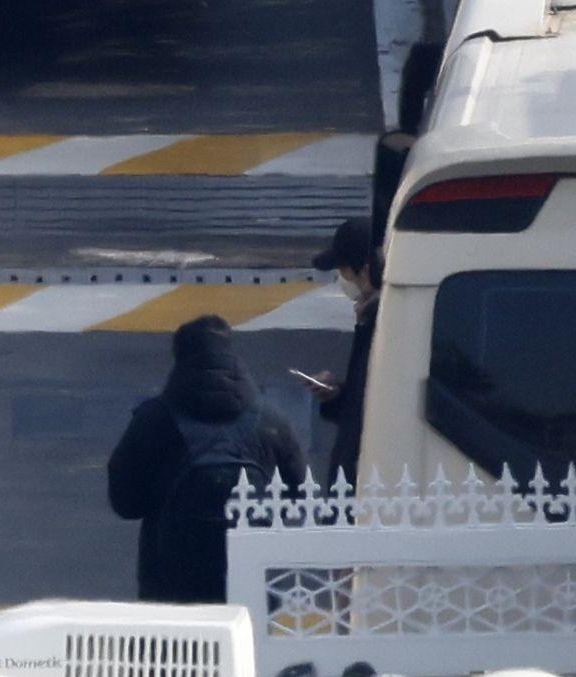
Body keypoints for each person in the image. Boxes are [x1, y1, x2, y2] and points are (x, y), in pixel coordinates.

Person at [104, 312, 306, 606]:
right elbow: (300, 495)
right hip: (250, 577)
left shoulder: (153, 419)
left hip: (171, 582)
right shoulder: (271, 420)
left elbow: (125, 503)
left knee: (172, 650)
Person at [295, 214, 383, 481]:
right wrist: (336, 395)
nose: (342, 278)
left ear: (367, 271)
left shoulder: (385, 324)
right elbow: (366, 400)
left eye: (344, 270)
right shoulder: (370, 319)